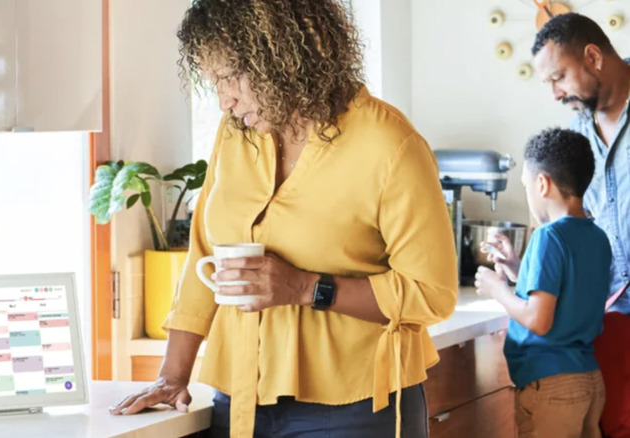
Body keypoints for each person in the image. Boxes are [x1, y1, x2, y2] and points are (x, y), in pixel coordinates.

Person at [110, 1, 458, 437]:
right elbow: (205, 253)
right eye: (213, 81)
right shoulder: (235, 135)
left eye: (231, 76)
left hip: (358, 407)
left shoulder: (390, 144)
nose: (224, 99)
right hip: (240, 399)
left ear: (284, 56)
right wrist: (172, 375)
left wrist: (305, 287)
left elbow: (432, 294)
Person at [476, 128, 610, 438]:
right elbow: (566, 293)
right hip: (588, 379)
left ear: (541, 183)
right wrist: (515, 268)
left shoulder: (548, 236)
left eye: (526, 186)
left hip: (552, 384)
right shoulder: (596, 236)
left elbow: (539, 319)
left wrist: (499, 290)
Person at [532, 13, 630, 436]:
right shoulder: (576, 134)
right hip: (608, 315)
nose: (555, 93)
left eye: (559, 77)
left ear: (593, 56)